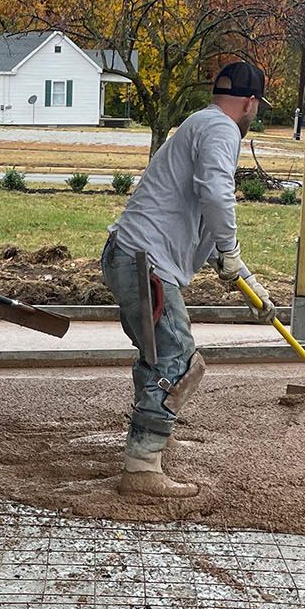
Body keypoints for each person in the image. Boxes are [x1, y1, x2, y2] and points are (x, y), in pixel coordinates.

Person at [99, 59, 265, 499]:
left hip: (132, 255)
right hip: (144, 262)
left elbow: (203, 214)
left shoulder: (200, 123)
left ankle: (148, 443)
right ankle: (142, 465)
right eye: (256, 107)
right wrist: (231, 251)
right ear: (250, 103)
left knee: (159, 357)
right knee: (178, 359)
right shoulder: (223, 130)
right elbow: (215, 191)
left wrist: (240, 272)